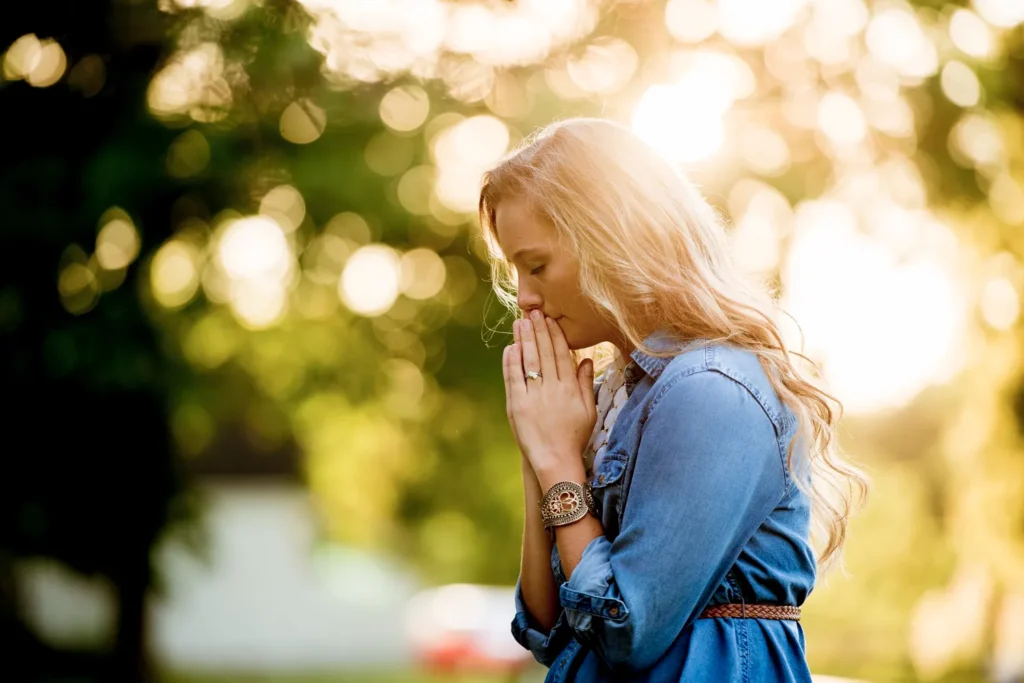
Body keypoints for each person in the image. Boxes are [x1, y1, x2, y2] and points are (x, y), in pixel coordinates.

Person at [477, 118, 869, 682]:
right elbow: (546, 626)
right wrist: (538, 446)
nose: (528, 299)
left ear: (611, 238)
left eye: (537, 266)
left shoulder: (710, 391)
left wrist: (560, 463)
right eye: (517, 272)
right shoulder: (620, 397)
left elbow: (625, 630)